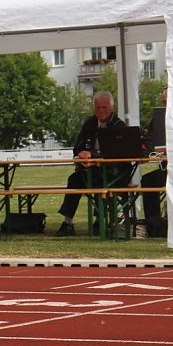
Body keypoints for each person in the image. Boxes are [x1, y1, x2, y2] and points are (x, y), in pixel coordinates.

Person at [54, 90, 129, 237]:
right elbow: (77, 147)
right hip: (90, 171)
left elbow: (116, 152)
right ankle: (67, 223)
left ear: (111, 108)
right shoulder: (89, 123)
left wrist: (93, 154)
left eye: (104, 107)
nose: (101, 110)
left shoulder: (119, 126)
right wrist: (81, 153)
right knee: (74, 180)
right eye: (98, 107)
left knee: (102, 183)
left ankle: (100, 220)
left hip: (113, 173)